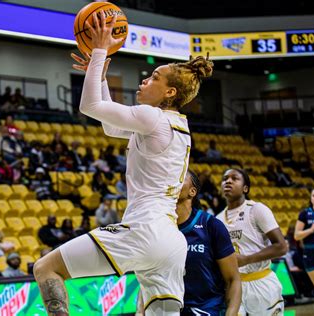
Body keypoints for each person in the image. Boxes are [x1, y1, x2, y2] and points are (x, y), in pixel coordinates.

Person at [34, 12, 213, 316]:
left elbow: (90, 106)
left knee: (45, 268)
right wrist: (99, 73)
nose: (145, 79)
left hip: (144, 230)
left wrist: (99, 51)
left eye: (154, 77)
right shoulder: (176, 124)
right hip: (170, 241)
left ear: (170, 92)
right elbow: (109, 126)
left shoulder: (152, 117)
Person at [140, 171, 241, 315]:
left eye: (180, 178)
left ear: (192, 192)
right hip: (167, 310)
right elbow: (148, 279)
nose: (173, 181)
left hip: (205, 309)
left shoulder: (211, 225)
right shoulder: (157, 229)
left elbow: (233, 279)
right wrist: (140, 311)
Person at [216, 168, 287, 315]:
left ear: (245, 188)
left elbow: (281, 246)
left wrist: (247, 259)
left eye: (234, 178)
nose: (228, 181)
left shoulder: (256, 209)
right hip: (234, 286)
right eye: (225, 179)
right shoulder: (218, 219)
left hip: (261, 282)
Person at [294, 187, 314, 297]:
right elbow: (296, 236)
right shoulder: (305, 214)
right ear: (310, 198)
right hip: (309, 254)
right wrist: (310, 230)